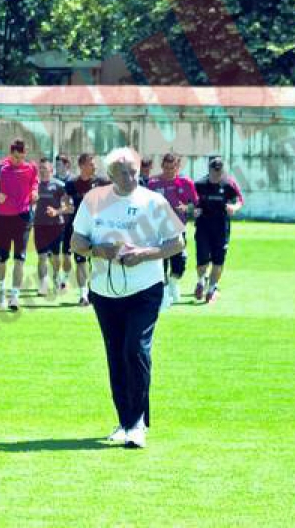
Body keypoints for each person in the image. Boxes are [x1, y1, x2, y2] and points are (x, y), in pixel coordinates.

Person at [71, 147, 185, 449]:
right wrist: (99, 250)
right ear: (110, 175)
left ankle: (136, 424)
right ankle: (127, 421)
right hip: (104, 292)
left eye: (133, 170)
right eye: (123, 171)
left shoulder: (154, 201)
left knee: (136, 349)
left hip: (145, 289)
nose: (130, 176)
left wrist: (145, 254)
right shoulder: (94, 200)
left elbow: (177, 242)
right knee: (117, 355)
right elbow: (76, 241)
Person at [0, 138, 39, 311]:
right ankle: (1, 291)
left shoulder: (31, 168)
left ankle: (14, 296)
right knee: (1, 259)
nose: (18, 161)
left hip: (23, 217)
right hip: (3, 219)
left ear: (25, 155)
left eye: (21, 157)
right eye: (15, 157)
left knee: (19, 259)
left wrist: (35, 192)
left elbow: (34, 183)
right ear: (10, 154)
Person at [148, 153, 198, 306]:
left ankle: (173, 282)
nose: (169, 171)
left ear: (178, 167)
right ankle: (163, 294)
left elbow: (195, 203)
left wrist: (186, 208)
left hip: (177, 227)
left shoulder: (185, 182)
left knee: (179, 261)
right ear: (162, 166)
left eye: (173, 168)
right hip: (158, 229)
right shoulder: (153, 183)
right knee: (160, 260)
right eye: (166, 167)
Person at [193, 156, 242, 304]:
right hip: (203, 227)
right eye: (214, 172)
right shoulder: (199, 184)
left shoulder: (228, 185)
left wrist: (234, 207)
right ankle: (201, 281)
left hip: (221, 228)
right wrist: (194, 210)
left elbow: (239, 200)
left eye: (219, 172)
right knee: (202, 259)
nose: (217, 175)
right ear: (209, 170)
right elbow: (191, 202)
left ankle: (212, 288)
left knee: (218, 261)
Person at [65, 153, 111, 306]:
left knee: (98, 260)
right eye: (91, 164)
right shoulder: (71, 184)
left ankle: (97, 291)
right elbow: (67, 203)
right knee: (80, 261)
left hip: (98, 228)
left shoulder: (102, 182)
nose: (95, 166)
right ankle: (83, 294)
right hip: (79, 229)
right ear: (82, 166)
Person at [33, 158, 71, 299]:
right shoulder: (34, 186)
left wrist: (56, 212)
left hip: (56, 226)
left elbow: (68, 207)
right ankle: (42, 284)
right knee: (42, 256)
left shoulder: (60, 186)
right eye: (40, 168)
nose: (43, 171)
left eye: (45, 168)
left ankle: (56, 277)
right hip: (39, 225)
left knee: (55, 257)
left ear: (51, 170)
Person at [54, 154, 74, 293]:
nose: (57, 167)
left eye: (60, 164)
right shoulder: (52, 180)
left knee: (67, 255)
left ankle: (64, 279)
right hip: (53, 223)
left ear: (67, 165)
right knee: (52, 254)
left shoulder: (73, 182)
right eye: (56, 165)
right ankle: (56, 277)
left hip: (69, 223)